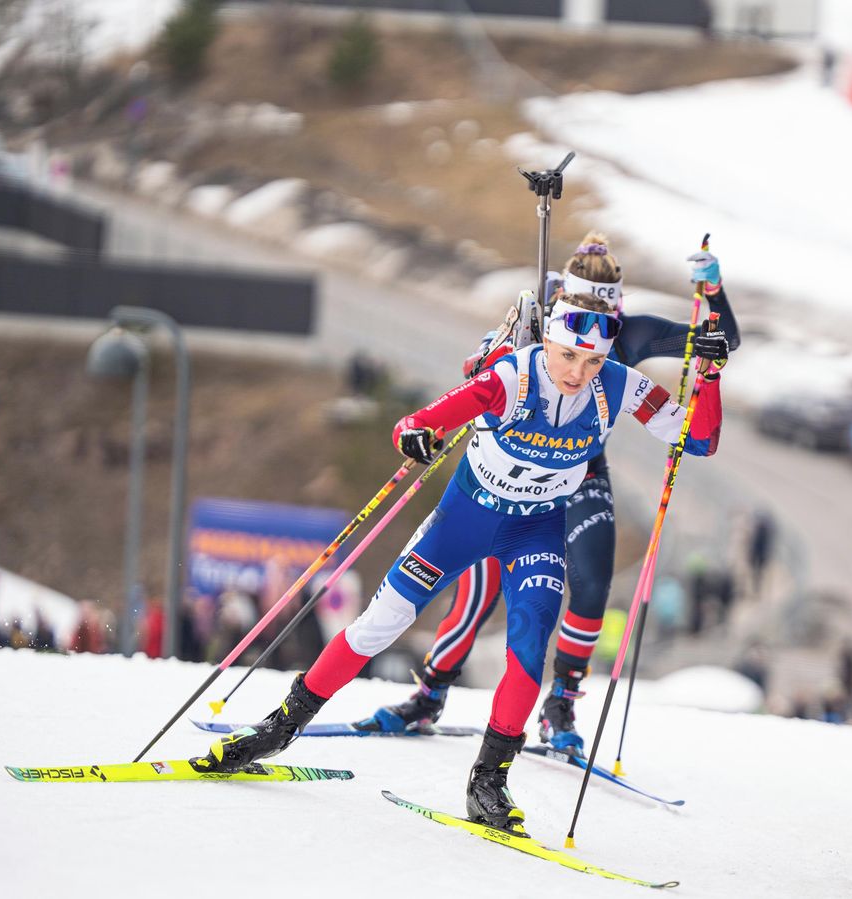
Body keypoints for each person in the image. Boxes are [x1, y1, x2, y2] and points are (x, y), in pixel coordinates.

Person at [197, 291, 730, 833]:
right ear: (548, 341)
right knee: (379, 625)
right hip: (464, 522)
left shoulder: (620, 385)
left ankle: (488, 780)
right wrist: (414, 437)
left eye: (592, 360)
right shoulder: (510, 379)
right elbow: (417, 422)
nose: (578, 371)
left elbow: (699, 440)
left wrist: (709, 377)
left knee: (529, 650)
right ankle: (279, 727)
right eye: (568, 354)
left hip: (535, 531)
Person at [364, 232, 741, 756]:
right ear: (563, 294)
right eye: (584, 303)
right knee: (478, 589)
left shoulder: (633, 333)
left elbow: (720, 341)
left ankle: (560, 702)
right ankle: (430, 694)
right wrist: (496, 353)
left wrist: (713, 292)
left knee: (593, 582)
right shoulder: (538, 320)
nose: (595, 327)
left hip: (582, 473)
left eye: (608, 311)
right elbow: (477, 377)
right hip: (511, 475)